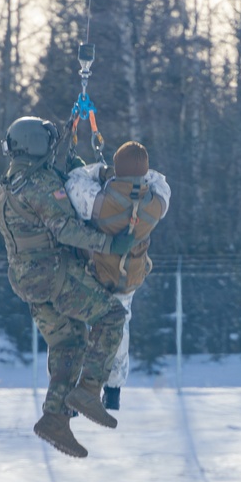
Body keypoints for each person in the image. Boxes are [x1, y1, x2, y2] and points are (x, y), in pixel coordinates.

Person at [0, 116, 136, 459]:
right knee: (112, 316)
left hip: (26, 280)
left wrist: (71, 159)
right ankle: (89, 390)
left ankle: (55, 418)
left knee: (68, 344)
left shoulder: (8, 184)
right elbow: (64, 228)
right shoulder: (39, 184)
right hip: (54, 274)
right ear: (36, 145)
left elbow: (57, 186)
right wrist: (109, 244)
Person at [65, 141, 170, 410]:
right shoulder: (156, 204)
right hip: (130, 279)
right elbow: (161, 181)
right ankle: (113, 392)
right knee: (120, 327)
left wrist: (100, 170)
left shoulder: (100, 201)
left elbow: (74, 181)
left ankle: (74, 389)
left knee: (79, 327)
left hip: (97, 276)